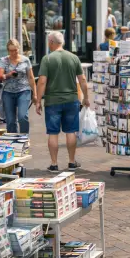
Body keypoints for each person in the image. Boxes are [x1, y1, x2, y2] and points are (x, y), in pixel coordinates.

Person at [36, 31, 91, 172]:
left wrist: (38, 100)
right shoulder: (73, 58)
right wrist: (86, 97)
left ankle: (54, 164)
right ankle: (72, 162)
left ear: (52, 43)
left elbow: (42, 82)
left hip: (52, 101)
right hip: (71, 100)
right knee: (71, 131)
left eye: (49, 42)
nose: (48, 44)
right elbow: (82, 80)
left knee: (53, 133)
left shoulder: (47, 59)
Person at [0, 39, 38, 133]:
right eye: (11, 50)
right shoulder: (4, 60)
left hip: (23, 90)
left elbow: (31, 78)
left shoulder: (25, 60)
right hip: (8, 92)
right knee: (10, 121)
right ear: (8, 50)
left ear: (19, 49)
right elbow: (0, 77)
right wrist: (8, 75)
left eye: (15, 50)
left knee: (22, 116)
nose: (13, 53)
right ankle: (13, 141)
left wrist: (35, 94)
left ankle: (23, 139)